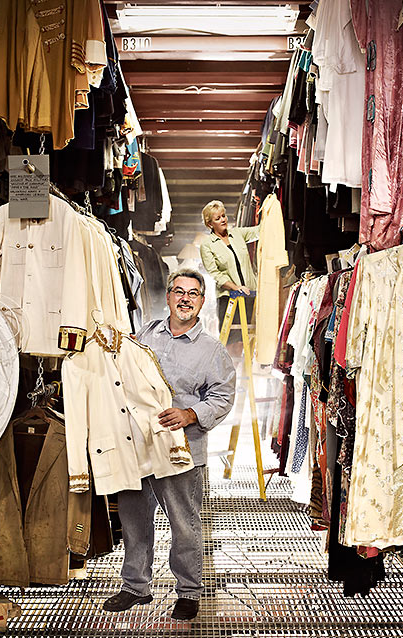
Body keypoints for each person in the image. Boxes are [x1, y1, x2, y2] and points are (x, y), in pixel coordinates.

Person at [103, 268, 236, 621]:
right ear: (169, 297)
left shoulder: (212, 351)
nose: (184, 299)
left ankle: (189, 591)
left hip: (183, 450)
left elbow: (223, 397)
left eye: (192, 294)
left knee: (184, 523)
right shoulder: (146, 336)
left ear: (202, 302)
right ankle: (135, 587)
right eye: (179, 292)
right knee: (134, 519)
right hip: (138, 446)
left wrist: (191, 414)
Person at [199, 200, 259, 350]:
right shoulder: (207, 245)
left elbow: (260, 230)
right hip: (229, 297)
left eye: (223, 216)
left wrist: (271, 206)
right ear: (210, 224)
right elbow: (215, 273)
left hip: (250, 293)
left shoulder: (237, 234)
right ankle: (232, 371)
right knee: (233, 340)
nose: (223, 220)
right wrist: (236, 287)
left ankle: (245, 370)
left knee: (250, 337)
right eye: (217, 218)